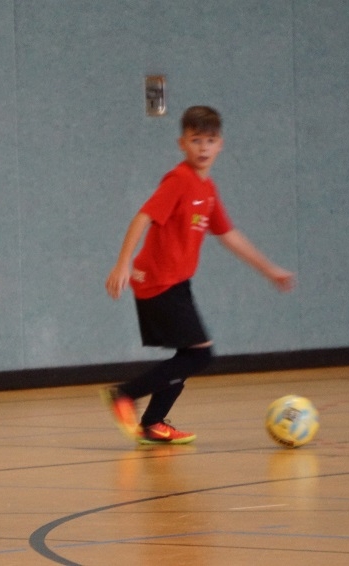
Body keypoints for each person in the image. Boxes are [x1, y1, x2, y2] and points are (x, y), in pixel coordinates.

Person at [103, 105, 295, 445]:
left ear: (220, 144)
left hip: (176, 282)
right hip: (157, 282)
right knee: (199, 354)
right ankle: (125, 394)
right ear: (182, 144)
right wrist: (122, 263)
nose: (203, 148)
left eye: (209, 140)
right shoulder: (179, 180)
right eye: (195, 140)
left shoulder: (207, 189)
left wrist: (269, 270)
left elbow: (228, 235)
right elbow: (143, 217)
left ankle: (153, 422)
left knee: (188, 357)